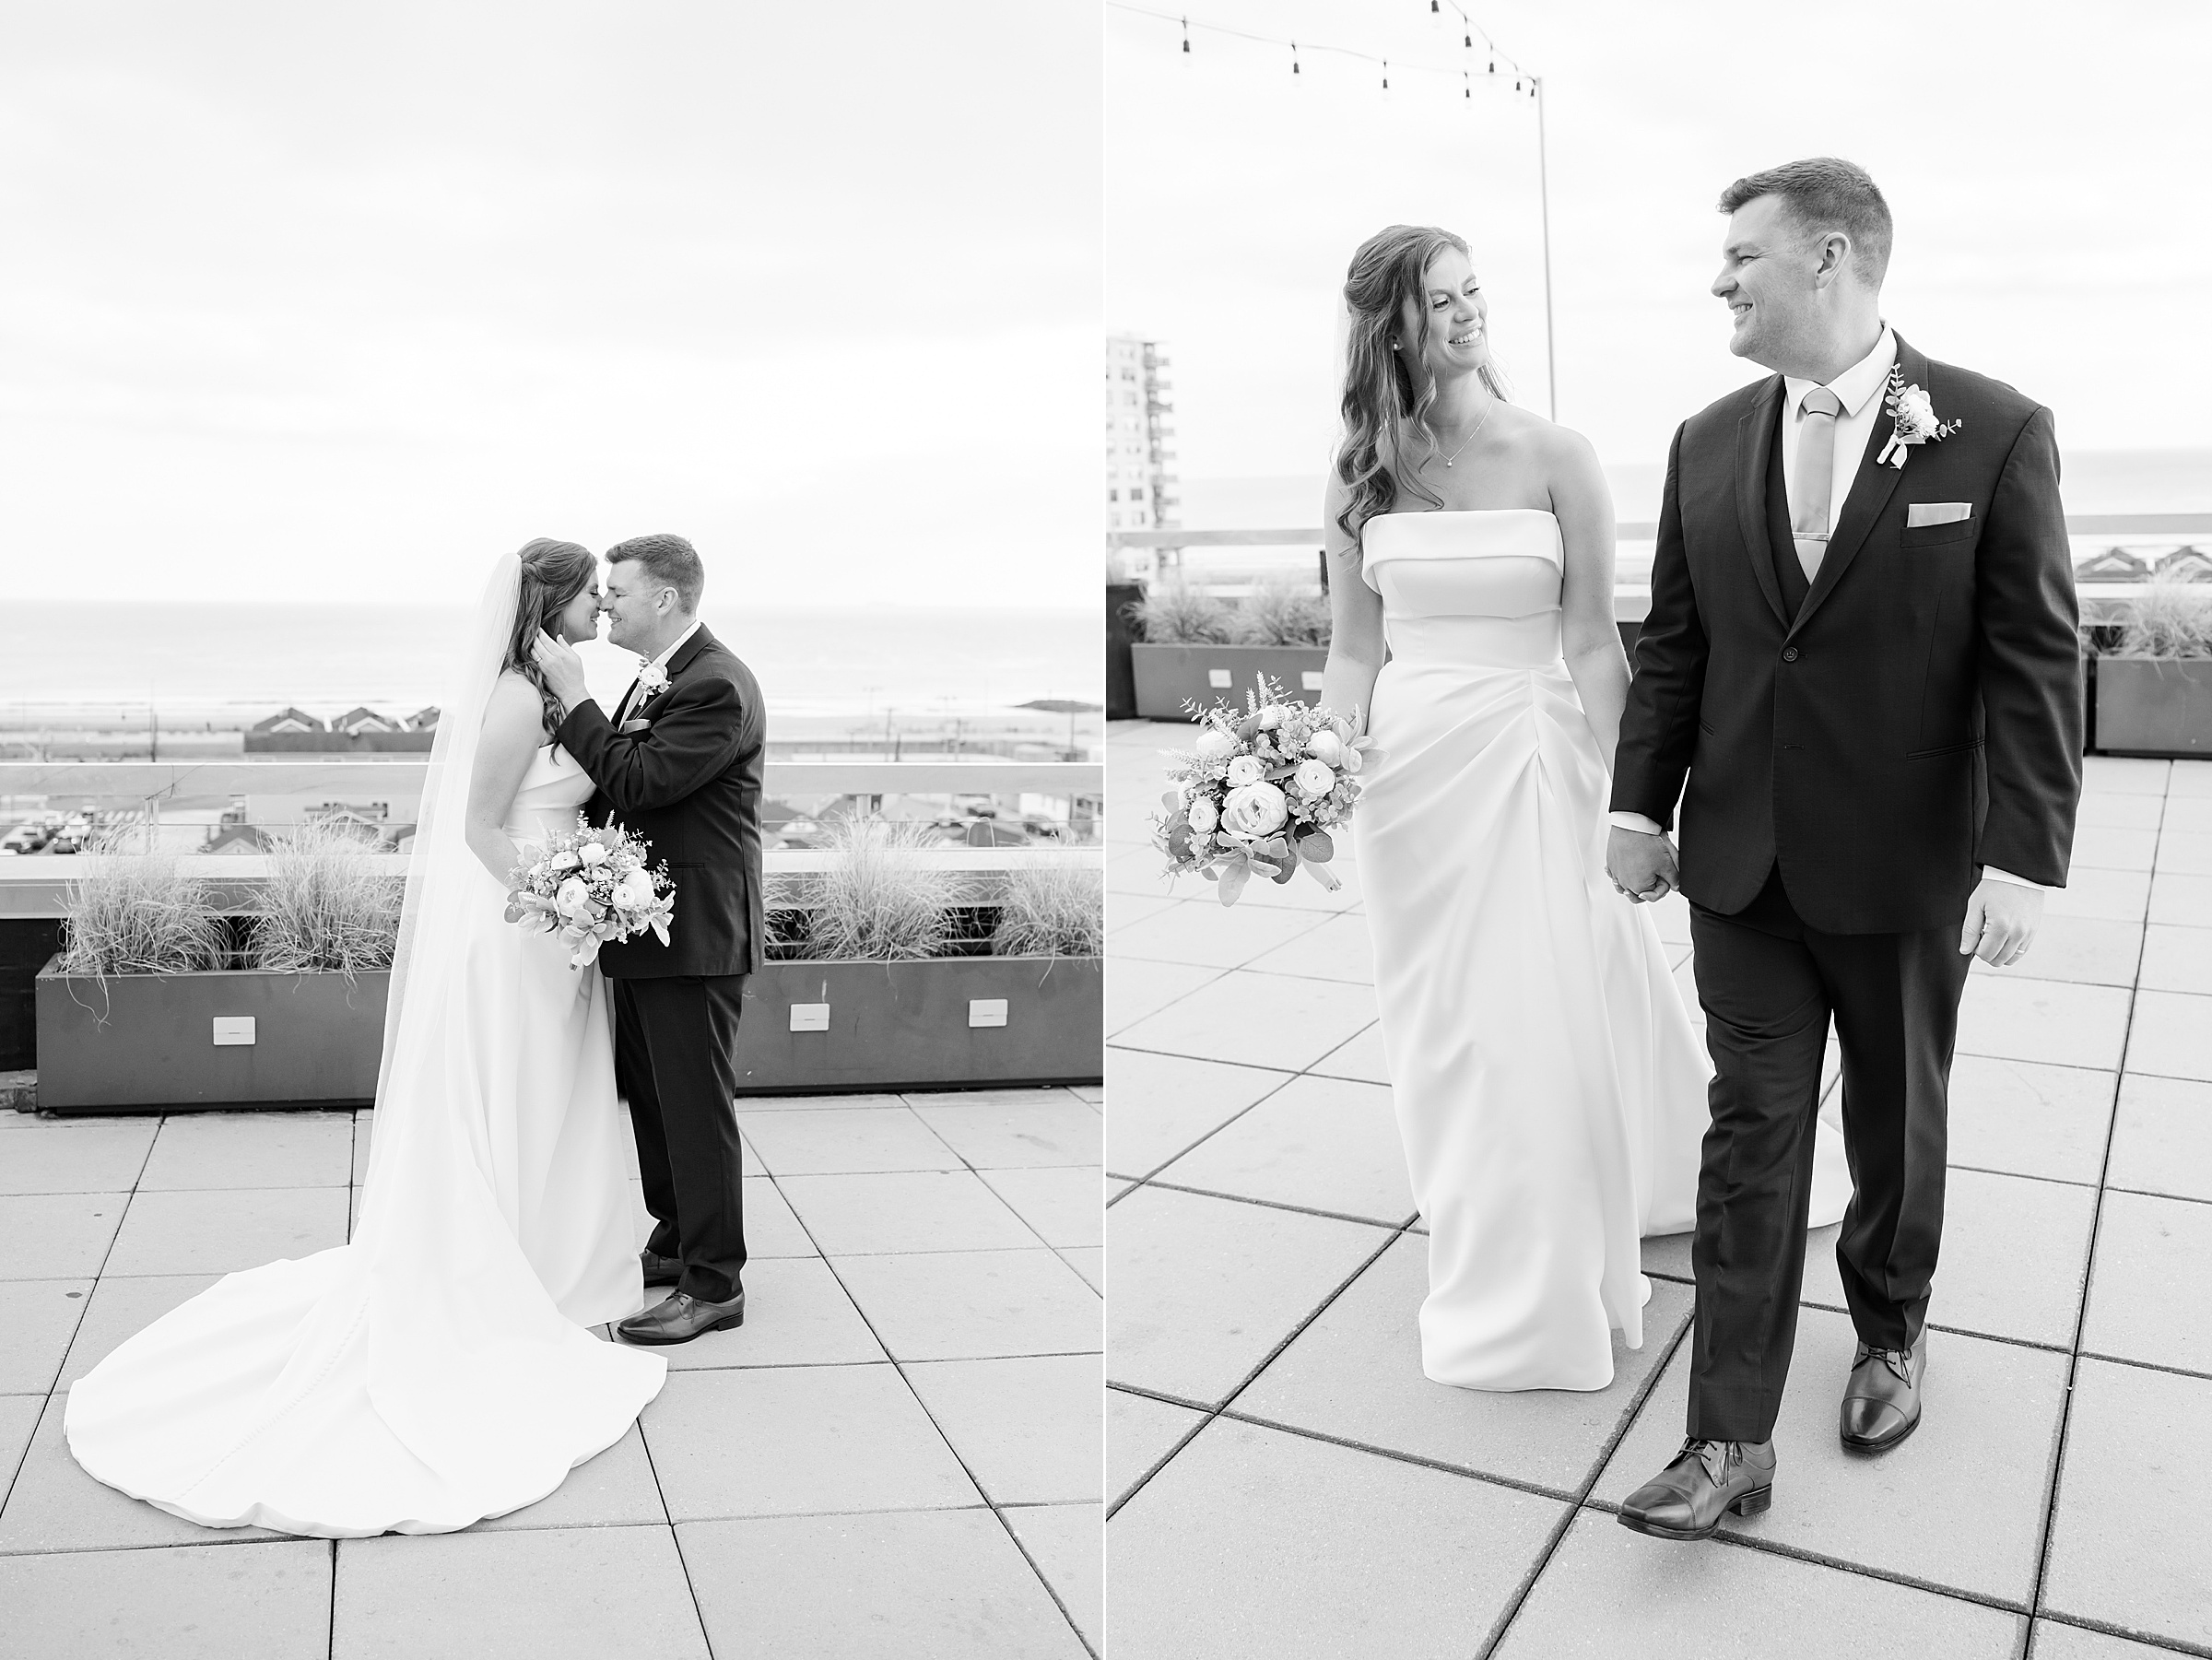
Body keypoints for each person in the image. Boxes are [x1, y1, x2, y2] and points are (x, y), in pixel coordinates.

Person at [1607, 159, 2082, 1540]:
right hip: (1742, 862)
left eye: (1740, 257)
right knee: (1749, 1135)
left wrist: (2024, 854)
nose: (1720, 281)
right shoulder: (1703, 440)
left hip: (1907, 864)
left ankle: (1889, 1328)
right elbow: (1679, 647)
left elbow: (2035, 659)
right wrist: (1641, 809)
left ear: (1829, 258)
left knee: (1894, 1118)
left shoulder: (1990, 431)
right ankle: (1727, 1440)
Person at [1317, 225, 1849, 1395]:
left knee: (1533, 1021)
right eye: (1440, 299)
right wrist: (1307, 770)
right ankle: (1478, 1201)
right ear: (1389, 328)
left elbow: (1599, 648)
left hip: (1527, 761)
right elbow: (1354, 656)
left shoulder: (1558, 454)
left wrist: (1645, 805)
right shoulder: (1361, 479)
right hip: (1409, 792)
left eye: (1474, 290)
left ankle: (1540, 1272)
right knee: (1446, 1030)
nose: (1468, 314)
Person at [65, 541, 666, 1537]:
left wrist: (583, 893)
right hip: (515, 929)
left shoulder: (555, 686)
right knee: (509, 1087)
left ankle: (543, 1263)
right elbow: (479, 827)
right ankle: (506, 1274)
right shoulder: (518, 699)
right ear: (549, 602)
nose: (601, 605)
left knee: (544, 1095)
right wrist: (563, 899)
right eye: (588, 593)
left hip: (549, 930)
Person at [531, 533, 766, 1347]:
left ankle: (714, 1283)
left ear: (664, 598)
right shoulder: (655, 677)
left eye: (617, 591)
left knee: (695, 1108)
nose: (604, 603)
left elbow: (639, 779)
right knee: (655, 1103)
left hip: (695, 933)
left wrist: (574, 695)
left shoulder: (717, 685)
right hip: (639, 926)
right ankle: (674, 1237)